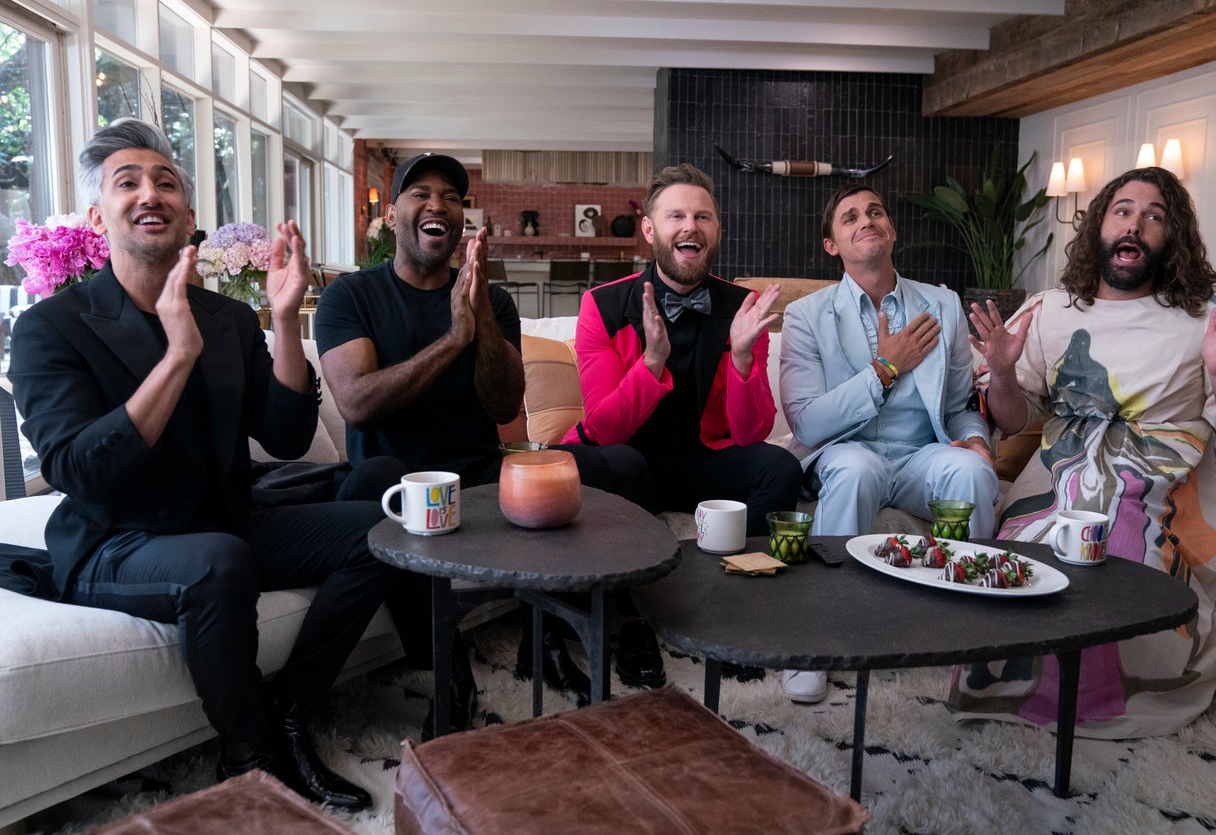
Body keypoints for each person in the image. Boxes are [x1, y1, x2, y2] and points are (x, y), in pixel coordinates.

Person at [8, 119, 388, 809]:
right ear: (99, 216)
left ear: (188, 215)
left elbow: (289, 433)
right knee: (217, 560)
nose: (150, 192)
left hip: (224, 522)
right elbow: (77, 468)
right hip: (114, 540)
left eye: (167, 182)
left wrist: (282, 322)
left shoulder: (227, 319)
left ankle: (293, 710)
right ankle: (255, 759)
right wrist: (175, 355)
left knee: (378, 530)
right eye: (128, 182)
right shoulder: (50, 327)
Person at [959, 165, 1216, 738]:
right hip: (1058, 475)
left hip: (1163, 480)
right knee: (1014, 569)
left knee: (1123, 560)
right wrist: (1003, 373)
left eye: (1154, 216)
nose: (1136, 224)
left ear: (1171, 236)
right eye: (1123, 210)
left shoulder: (1204, 316)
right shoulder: (1051, 309)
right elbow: (1011, 423)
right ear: (1100, 226)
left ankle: (1104, 694)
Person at [316, 154, 641, 716]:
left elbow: (501, 403)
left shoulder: (492, 300)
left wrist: (481, 313)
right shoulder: (353, 297)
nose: (437, 204)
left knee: (611, 465)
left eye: (452, 197)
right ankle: (449, 667)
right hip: (393, 484)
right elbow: (358, 405)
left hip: (480, 478)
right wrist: (450, 340)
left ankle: (549, 638)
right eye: (420, 193)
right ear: (393, 213)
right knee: (380, 478)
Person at [562, 163, 804, 689]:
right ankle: (632, 625)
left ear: (716, 230)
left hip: (701, 460)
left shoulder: (743, 308)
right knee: (611, 462)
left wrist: (742, 357)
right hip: (628, 464)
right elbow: (603, 428)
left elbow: (751, 433)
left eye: (703, 216)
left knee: (781, 468)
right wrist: (650, 365)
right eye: (676, 215)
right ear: (651, 230)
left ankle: (730, 610)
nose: (690, 226)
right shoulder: (602, 306)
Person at [778, 183, 999, 704]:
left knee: (969, 473)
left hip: (921, 454)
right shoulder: (806, 316)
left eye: (875, 210)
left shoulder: (942, 305)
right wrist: (885, 367)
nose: (866, 219)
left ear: (891, 229)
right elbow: (808, 423)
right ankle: (818, 641)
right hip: (843, 449)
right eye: (850, 216)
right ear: (832, 244)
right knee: (857, 469)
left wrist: (975, 440)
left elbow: (960, 406)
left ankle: (972, 637)